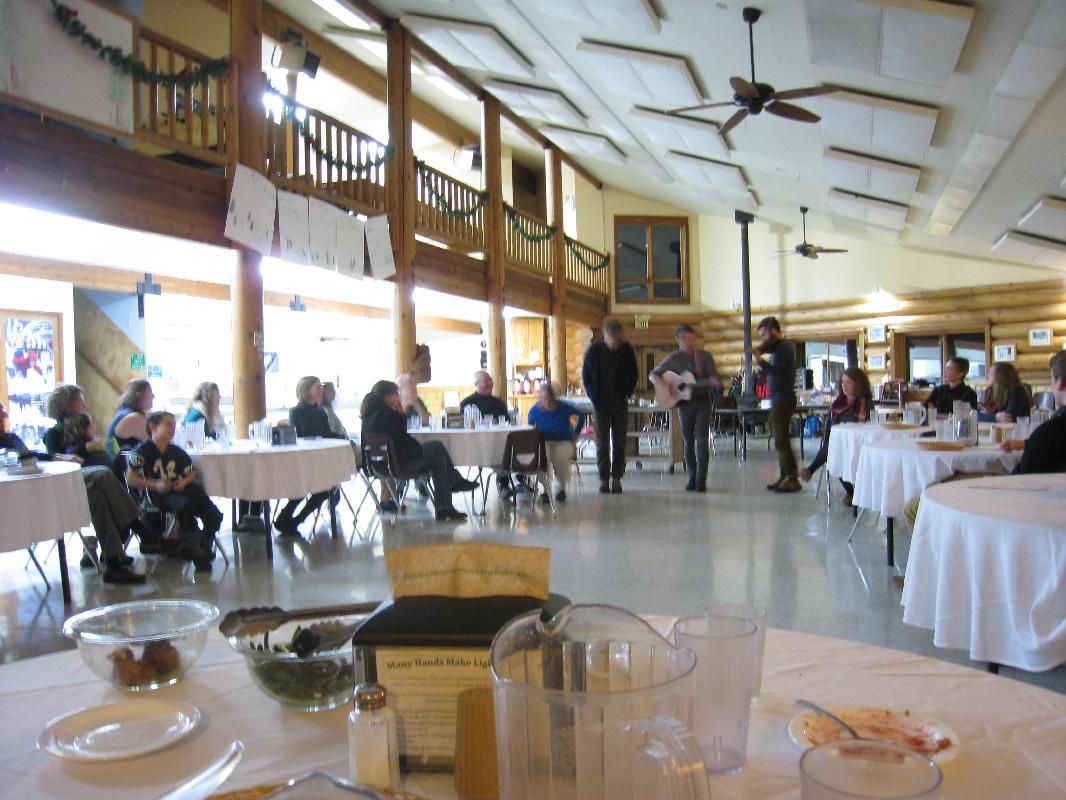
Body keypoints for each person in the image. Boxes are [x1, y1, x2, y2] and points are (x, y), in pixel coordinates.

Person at [360, 380, 476, 521]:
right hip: (397, 464)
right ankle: (446, 503)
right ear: (387, 396)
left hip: (377, 466)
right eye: (396, 393)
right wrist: (401, 415)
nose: (398, 396)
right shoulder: (389, 415)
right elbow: (404, 439)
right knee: (438, 455)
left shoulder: (368, 416)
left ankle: (451, 493)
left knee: (437, 450)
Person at [127, 411, 222, 571]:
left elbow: (192, 473)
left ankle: (202, 545)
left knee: (213, 514)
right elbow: (130, 478)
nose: (173, 429)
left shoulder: (176, 452)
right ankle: (195, 547)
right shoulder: (142, 452)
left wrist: (184, 481)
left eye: (174, 425)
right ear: (153, 427)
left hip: (185, 490)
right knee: (184, 506)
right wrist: (155, 484)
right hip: (161, 495)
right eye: (168, 425)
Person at [650, 324, 722, 492]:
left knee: (702, 441)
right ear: (678, 340)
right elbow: (653, 374)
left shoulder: (704, 356)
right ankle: (691, 477)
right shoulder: (674, 358)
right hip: (684, 404)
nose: (688, 341)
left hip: (703, 401)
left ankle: (701, 479)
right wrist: (665, 386)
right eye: (684, 338)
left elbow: (715, 379)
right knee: (688, 441)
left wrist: (707, 382)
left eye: (691, 338)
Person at [274, 376, 347, 536]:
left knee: (326, 487)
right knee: (309, 483)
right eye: (317, 387)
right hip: (303, 459)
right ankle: (286, 516)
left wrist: (343, 438)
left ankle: (296, 519)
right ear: (307, 391)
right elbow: (297, 436)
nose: (321, 390)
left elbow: (327, 434)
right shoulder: (296, 411)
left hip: (319, 458)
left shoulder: (321, 412)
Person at [798, 367, 873, 506]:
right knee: (835, 453)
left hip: (858, 443)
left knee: (834, 451)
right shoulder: (839, 402)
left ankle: (811, 469)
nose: (844, 386)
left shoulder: (865, 403)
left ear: (858, 384)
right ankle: (850, 492)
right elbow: (831, 422)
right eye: (842, 382)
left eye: (848, 383)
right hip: (838, 442)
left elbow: (863, 424)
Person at [582, 319, 638, 494]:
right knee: (602, 443)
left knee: (620, 442)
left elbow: (634, 373)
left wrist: (628, 392)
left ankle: (617, 479)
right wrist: (593, 397)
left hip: (620, 401)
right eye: (613, 339)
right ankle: (604, 479)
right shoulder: (594, 351)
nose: (616, 342)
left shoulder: (626, 350)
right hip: (600, 403)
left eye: (618, 339)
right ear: (605, 336)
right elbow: (586, 377)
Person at [756, 316, 801, 493]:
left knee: (782, 440)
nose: (763, 339)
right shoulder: (779, 348)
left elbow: (775, 373)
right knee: (780, 439)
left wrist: (760, 360)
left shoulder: (783, 347)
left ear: (774, 331)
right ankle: (785, 476)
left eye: (764, 334)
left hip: (783, 398)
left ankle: (791, 477)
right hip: (779, 397)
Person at [1002, 352, 1066, 474]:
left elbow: (1024, 477)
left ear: (1060, 383)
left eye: (1051, 378)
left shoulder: (1049, 432)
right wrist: (1025, 444)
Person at [527, 383, 585, 503]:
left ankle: (561, 489)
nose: (547, 403)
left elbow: (581, 415)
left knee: (560, 456)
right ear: (540, 399)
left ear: (553, 398)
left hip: (564, 441)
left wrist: (577, 432)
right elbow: (530, 428)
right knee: (543, 457)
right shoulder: (535, 410)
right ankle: (545, 490)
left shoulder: (563, 407)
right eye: (544, 400)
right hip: (545, 441)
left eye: (549, 400)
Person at [106, 379, 154, 457]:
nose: (153, 396)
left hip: (123, 460)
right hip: (121, 463)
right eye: (150, 392)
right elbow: (159, 441)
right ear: (139, 395)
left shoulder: (125, 412)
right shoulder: (133, 417)